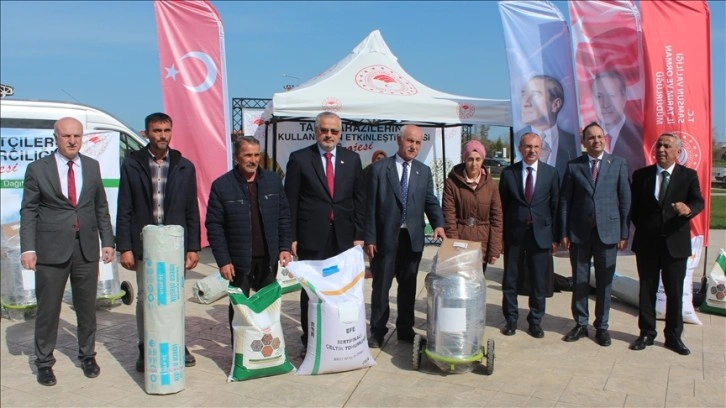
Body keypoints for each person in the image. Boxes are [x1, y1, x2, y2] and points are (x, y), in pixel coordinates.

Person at [20, 117, 115, 386]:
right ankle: (44, 362)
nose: (72, 141)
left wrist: (107, 241)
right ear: (56, 138)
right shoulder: (38, 169)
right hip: (50, 250)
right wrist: (28, 248)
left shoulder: (92, 166)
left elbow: (101, 208)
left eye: (77, 136)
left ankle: (87, 355)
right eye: (66, 136)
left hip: (85, 247)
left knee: (87, 307)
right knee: (48, 310)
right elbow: (29, 210)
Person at [116, 112, 201, 372]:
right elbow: (125, 207)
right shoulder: (133, 164)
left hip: (174, 244)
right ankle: (146, 347)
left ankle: (177, 343)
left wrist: (193, 246)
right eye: (156, 131)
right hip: (145, 244)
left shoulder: (184, 165)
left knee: (175, 297)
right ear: (146, 133)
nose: (162, 135)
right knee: (145, 297)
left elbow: (191, 209)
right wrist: (126, 247)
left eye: (166, 130)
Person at [284, 111, 365, 357]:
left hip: (344, 237)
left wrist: (359, 235)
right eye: (324, 130)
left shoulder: (352, 160)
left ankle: (336, 337)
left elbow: (359, 201)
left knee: (340, 290)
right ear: (316, 131)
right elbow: (291, 201)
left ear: (340, 134)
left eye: (334, 131)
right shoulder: (299, 159)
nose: (329, 135)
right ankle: (310, 341)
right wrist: (291, 238)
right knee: (312, 291)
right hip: (312, 236)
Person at [365, 124, 446, 348]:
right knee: (381, 287)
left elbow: (430, 201)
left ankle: (404, 328)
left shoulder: (423, 171)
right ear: (399, 140)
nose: (413, 146)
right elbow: (369, 207)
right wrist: (370, 238)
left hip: (412, 240)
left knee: (408, 286)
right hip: (384, 240)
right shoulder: (379, 170)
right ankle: (378, 331)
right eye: (410, 141)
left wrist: (438, 223)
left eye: (418, 142)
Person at [206, 136, 292, 342]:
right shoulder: (222, 186)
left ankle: (266, 349)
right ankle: (239, 349)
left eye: (256, 155)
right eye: (247, 155)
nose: (253, 160)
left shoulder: (273, 181)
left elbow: (284, 216)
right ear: (237, 157)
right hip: (238, 261)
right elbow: (214, 226)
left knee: (268, 306)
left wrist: (284, 246)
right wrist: (224, 261)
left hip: (268, 258)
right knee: (239, 308)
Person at [629, 133, 704, 355]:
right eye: (659, 145)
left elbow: (698, 201)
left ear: (677, 152)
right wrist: (646, 228)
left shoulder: (688, 176)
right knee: (647, 290)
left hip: (676, 244)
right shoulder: (641, 176)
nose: (661, 149)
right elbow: (634, 209)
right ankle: (646, 334)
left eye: (667, 146)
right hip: (647, 244)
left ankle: (673, 337)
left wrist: (688, 209)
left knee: (674, 292)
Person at [559, 122, 631, 346]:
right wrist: (564, 231)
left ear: (605, 139)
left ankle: (602, 326)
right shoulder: (573, 166)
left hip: (608, 234)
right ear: (583, 142)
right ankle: (581, 323)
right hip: (579, 234)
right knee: (580, 281)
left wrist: (623, 232)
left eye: (599, 137)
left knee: (604, 283)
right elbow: (564, 202)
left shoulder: (618, 164)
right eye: (591, 138)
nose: (596, 141)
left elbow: (625, 200)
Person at [498, 132, 559, 338]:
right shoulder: (509, 173)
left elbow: (555, 206)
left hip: (540, 235)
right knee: (511, 279)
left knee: (538, 281)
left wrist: (555, 237)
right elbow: (502, 207)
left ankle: (535, 321)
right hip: (515, 234)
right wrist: (501, 236)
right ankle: (511, 320)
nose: (532, 151)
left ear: (540, 149)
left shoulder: (551, 173)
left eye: (536, 147)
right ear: (520, 148)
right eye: (528, 146)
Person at [442, 139, 503, 273]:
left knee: (476, 288)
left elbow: (497, 219)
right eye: (470, 159)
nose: (474, 164)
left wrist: (494, 249)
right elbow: (449, 216)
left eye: (478, 159)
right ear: (464, 159)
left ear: (482, 160)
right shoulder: (452, 183)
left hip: (482, 245)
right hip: (461, 243)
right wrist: (454, 246)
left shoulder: (491, 186)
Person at [514, 74, 579, 180]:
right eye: (523, 95)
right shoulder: (515, 139)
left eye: (534, 96)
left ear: (555, 104)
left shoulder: (573, 144)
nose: (525, 103)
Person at [591, 71, 646, 176]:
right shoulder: (585, 137)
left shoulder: (641, 137)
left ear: (624, 97)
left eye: (611, 95)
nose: (605, 104)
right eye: (599, 97)